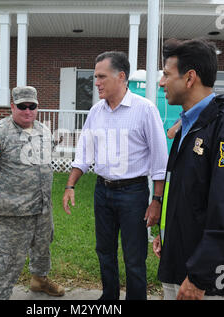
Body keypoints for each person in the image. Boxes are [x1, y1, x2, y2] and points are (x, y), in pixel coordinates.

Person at [153, 38, 224, 300]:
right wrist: (168, 238)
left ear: (190, 78)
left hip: (206, 281)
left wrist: (200, 276)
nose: (161, 82)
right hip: (180, 261)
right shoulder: (188, 125)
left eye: (167, 74)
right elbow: (185, 192)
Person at [63, 51, 168, 300]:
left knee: (134, 255)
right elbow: (84, 154)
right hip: (103, 191)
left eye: (101, 76)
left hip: (133, 194)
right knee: (104, 250)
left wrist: (157, 201)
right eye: (95, 76)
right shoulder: (96, 112)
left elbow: (159, 160)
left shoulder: (144, 110)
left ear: (121, 76)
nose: (96, 82)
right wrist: (70, 186)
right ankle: (109, 297)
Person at [0, 86, 65, 300]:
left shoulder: (43, 130)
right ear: (12, 106)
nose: (27, 111)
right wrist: (9, 188)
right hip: (12, 215)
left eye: (31, 106)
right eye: (21, 106)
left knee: (42, 249)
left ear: (37, 107)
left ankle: (39, 281)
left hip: (42, 210)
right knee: (4, 263)